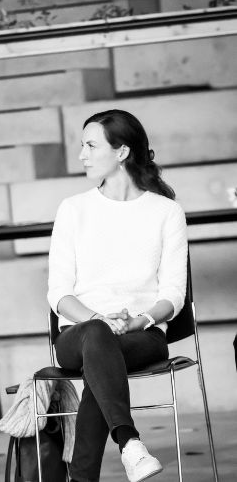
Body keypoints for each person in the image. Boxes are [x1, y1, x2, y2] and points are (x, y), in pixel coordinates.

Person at [47, 110, 187, 482]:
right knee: (98, 338)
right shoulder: (73, 209)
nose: (82, 155)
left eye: (91, 146)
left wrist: (141, 320)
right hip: (79, 333)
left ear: (121, 151)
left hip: (143, 335)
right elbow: (59, 293)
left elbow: (174, 293)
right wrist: (99, 319)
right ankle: (129, 442)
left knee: (101, 363)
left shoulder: (166, 212)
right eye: (82, 146)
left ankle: (90, 474)